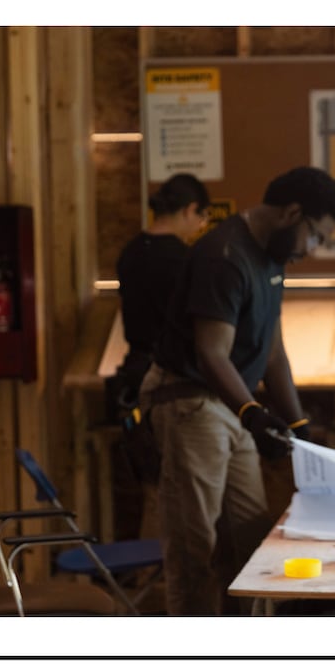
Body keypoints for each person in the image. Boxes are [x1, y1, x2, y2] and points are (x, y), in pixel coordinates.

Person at [141, 166, 335, 615]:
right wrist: (252, 412)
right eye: (314, 235)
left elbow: (273, 352)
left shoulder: (271, 258)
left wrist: (298, 426)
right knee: (194, 549)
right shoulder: (226, 255)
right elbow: (212, 354)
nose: (313, 250)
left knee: (252, 544)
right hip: (189, 401)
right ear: (292, 213)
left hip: (227, 406)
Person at [104, 173, 212, 537]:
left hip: (134, 377)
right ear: (190, 209)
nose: (199, 227)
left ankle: (148, 580)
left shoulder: (131, 253)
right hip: (173, 381)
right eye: (201, 218)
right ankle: (163, 583)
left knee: (154, 486)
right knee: (179, 491)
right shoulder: (184, 259)